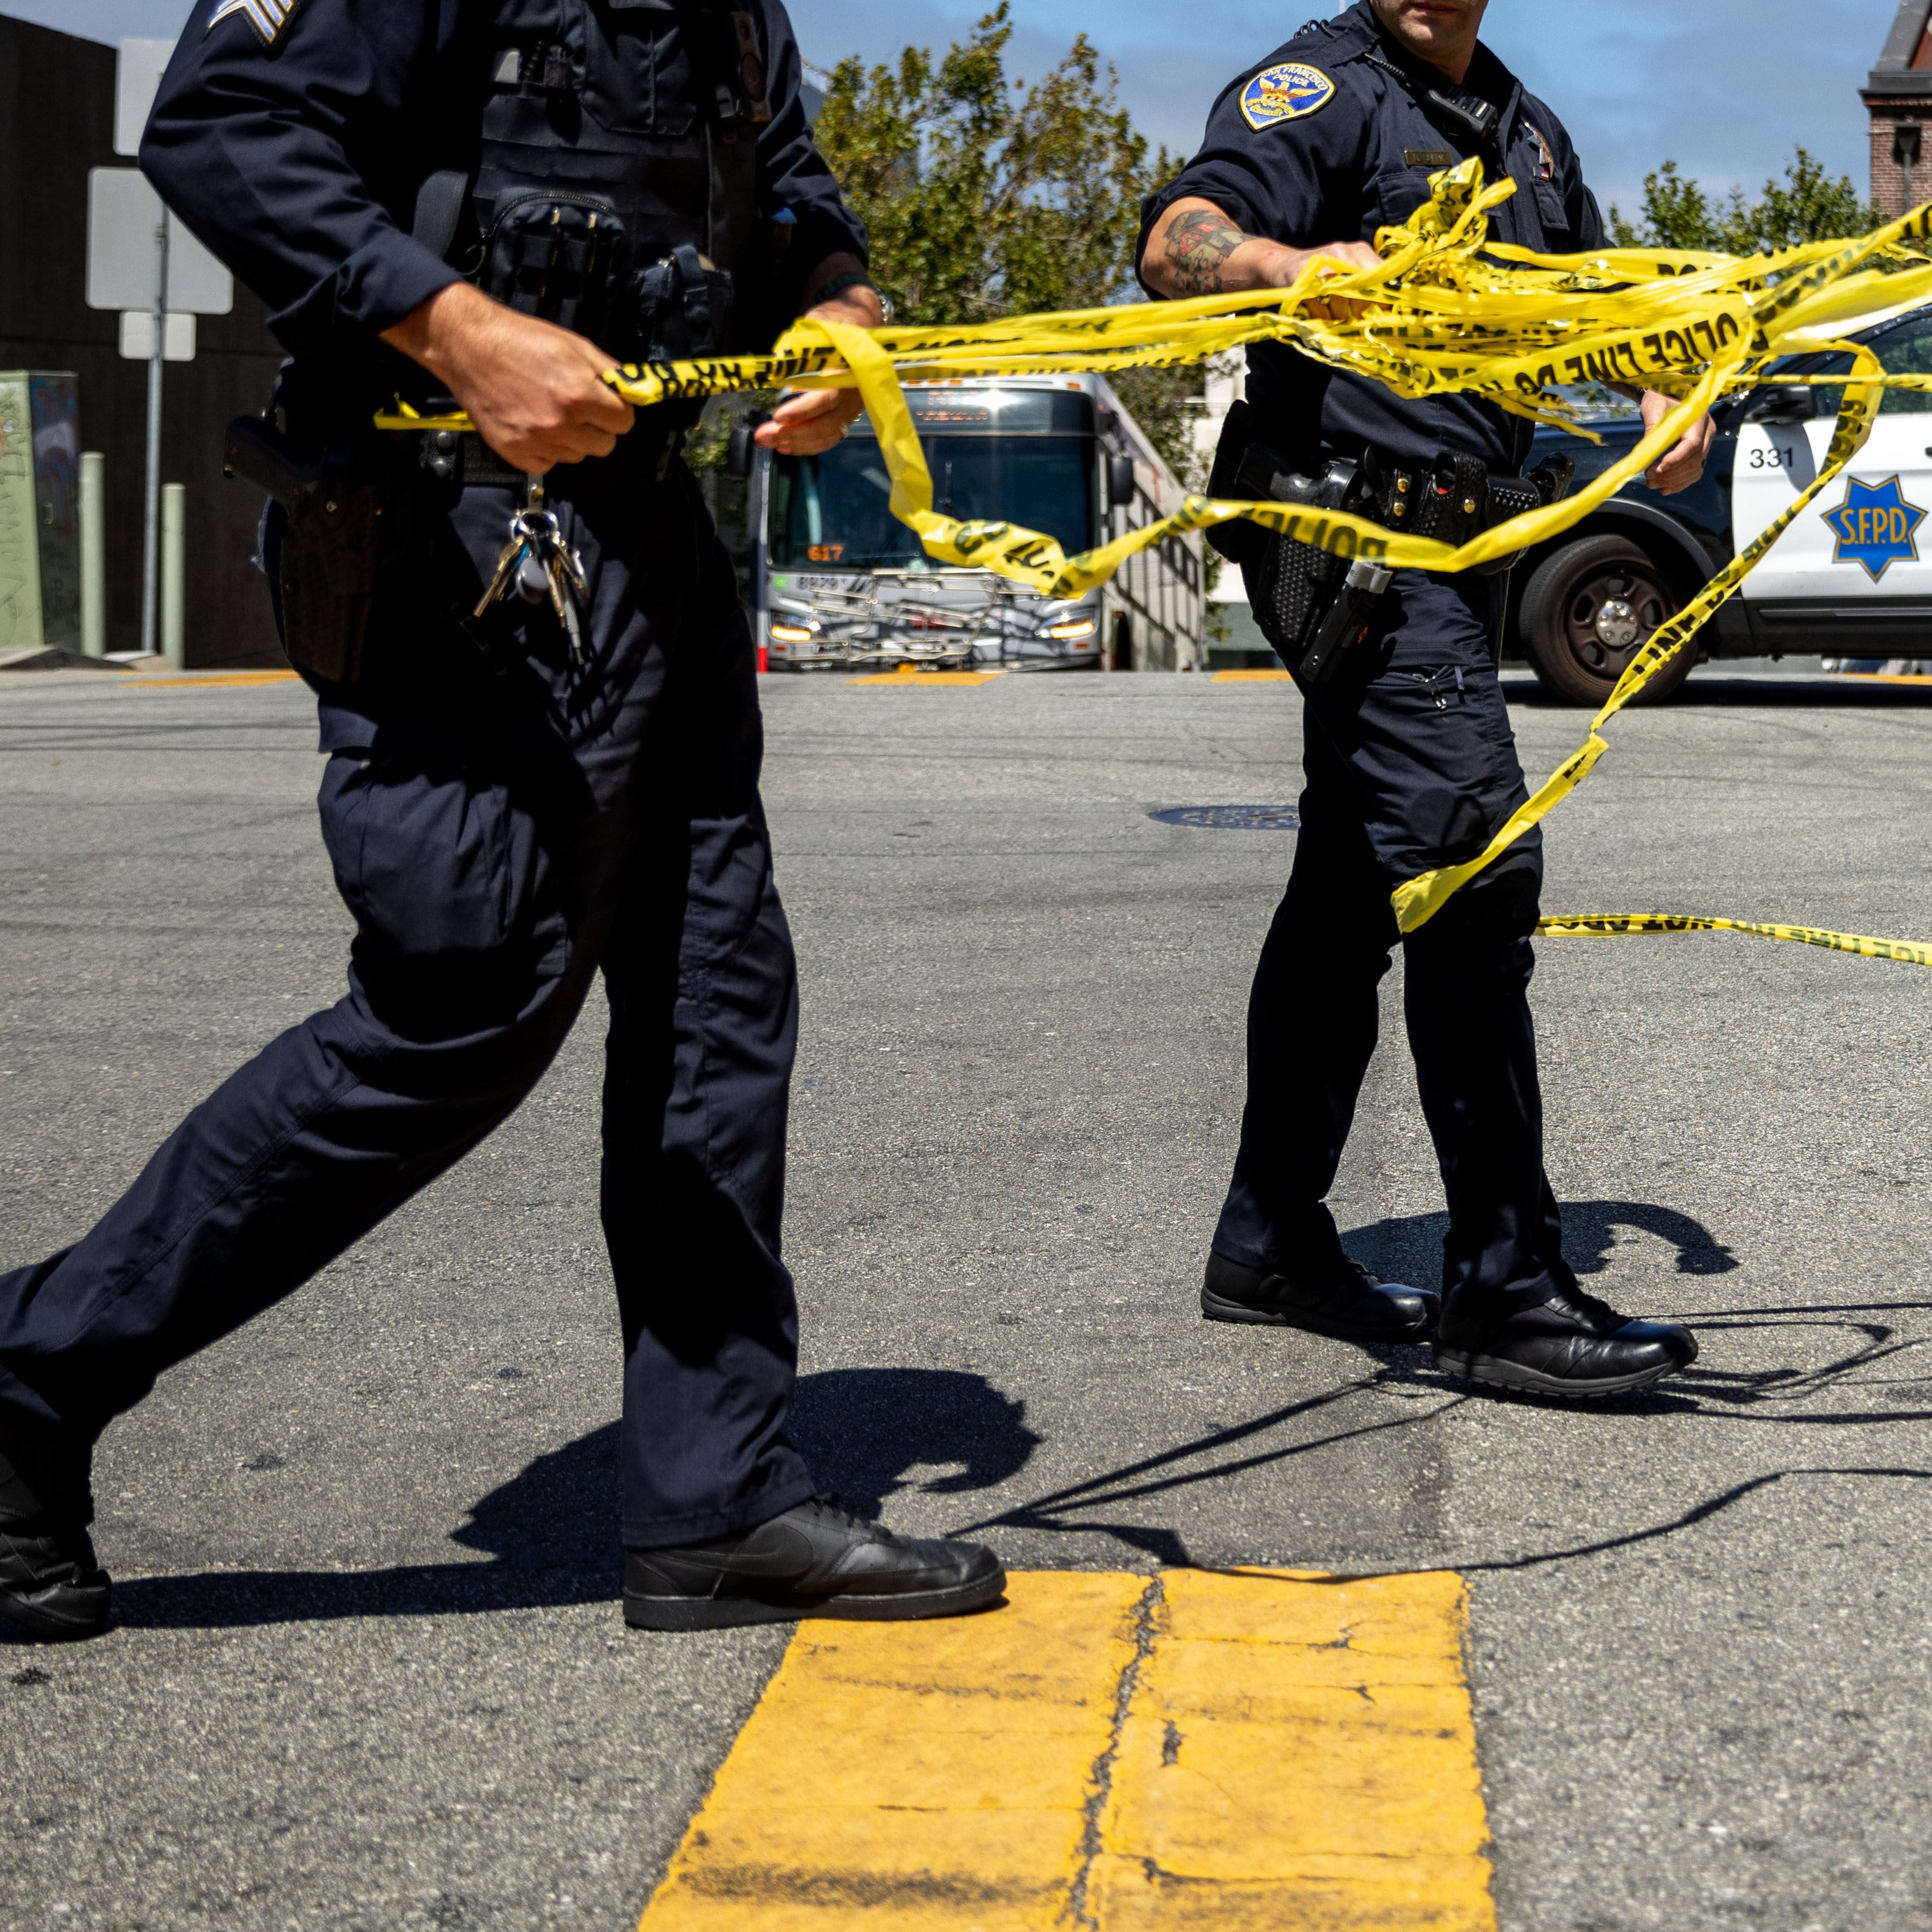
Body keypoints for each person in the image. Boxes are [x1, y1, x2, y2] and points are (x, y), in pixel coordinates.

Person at [0, 0, 1003, 1641]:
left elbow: (797, 196)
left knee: (716, 1010)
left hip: (647, 541)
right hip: (453, 535)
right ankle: (28, 1379)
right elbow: (218, 121)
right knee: (456, 1013)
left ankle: (718, 1493)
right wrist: (458, 327)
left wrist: (839, 310)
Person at [1138, 0, 1712, 1396]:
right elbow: (1177, 241)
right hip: (1347, 542)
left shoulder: (1527, 133)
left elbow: (1593, 302)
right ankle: (1503, 1284)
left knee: (1348, 894)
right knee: (1472, 863)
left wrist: (1670, 378)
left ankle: (1269, 1239)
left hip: (1458, 543)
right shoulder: (1320, 92)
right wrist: (1288, 265)